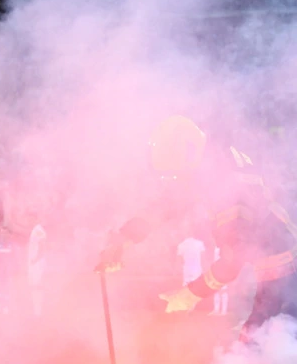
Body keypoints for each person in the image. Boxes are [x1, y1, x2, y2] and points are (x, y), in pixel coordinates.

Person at [97, 115, 297, 338]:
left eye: (175, 175)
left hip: (286, 267)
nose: (173, 181)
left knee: (265, 341)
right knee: (259, 341)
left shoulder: (227, 182)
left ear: (189, 158)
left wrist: (190, 295)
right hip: (274, 263)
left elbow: (232, 262)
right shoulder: (207, 165)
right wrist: (124, 238)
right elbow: (168, 206)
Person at [27, 221, 47, 317]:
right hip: (34, 263)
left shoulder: (39, 230)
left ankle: (38, 312)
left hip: (37, 263)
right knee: (33, 286)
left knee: (37, 286)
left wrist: (36, 259)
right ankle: (35, 311)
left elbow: (43, 247)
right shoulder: (33, 230)